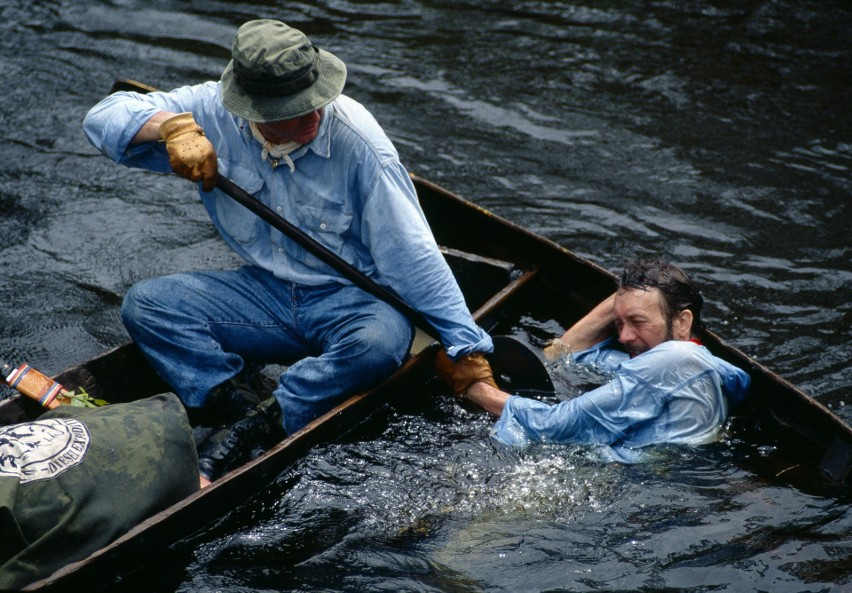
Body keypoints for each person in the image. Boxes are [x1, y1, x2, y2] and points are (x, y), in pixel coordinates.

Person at [83, 19, 495, 482]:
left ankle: (267, 422)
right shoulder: (209, 112)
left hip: (353, 302)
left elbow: (411, 253)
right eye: (294, 113)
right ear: (251, 110)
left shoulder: (359, 141)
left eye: (315, 102)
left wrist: (466, 345)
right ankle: (233, 404)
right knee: (148, 305)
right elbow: (103, 116)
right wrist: (169, 128)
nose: (314, 118)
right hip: (266, 293)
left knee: (377, 345)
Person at [436, 260, 750, 460]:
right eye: (618, 325)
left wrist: (476, 387)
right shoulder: (691, 365)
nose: (624, 337)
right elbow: (564, 356)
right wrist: (630, 298)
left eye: (638, 323)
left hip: (628, 483)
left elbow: (555, 425)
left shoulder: (674, 360)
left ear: (682, 322)